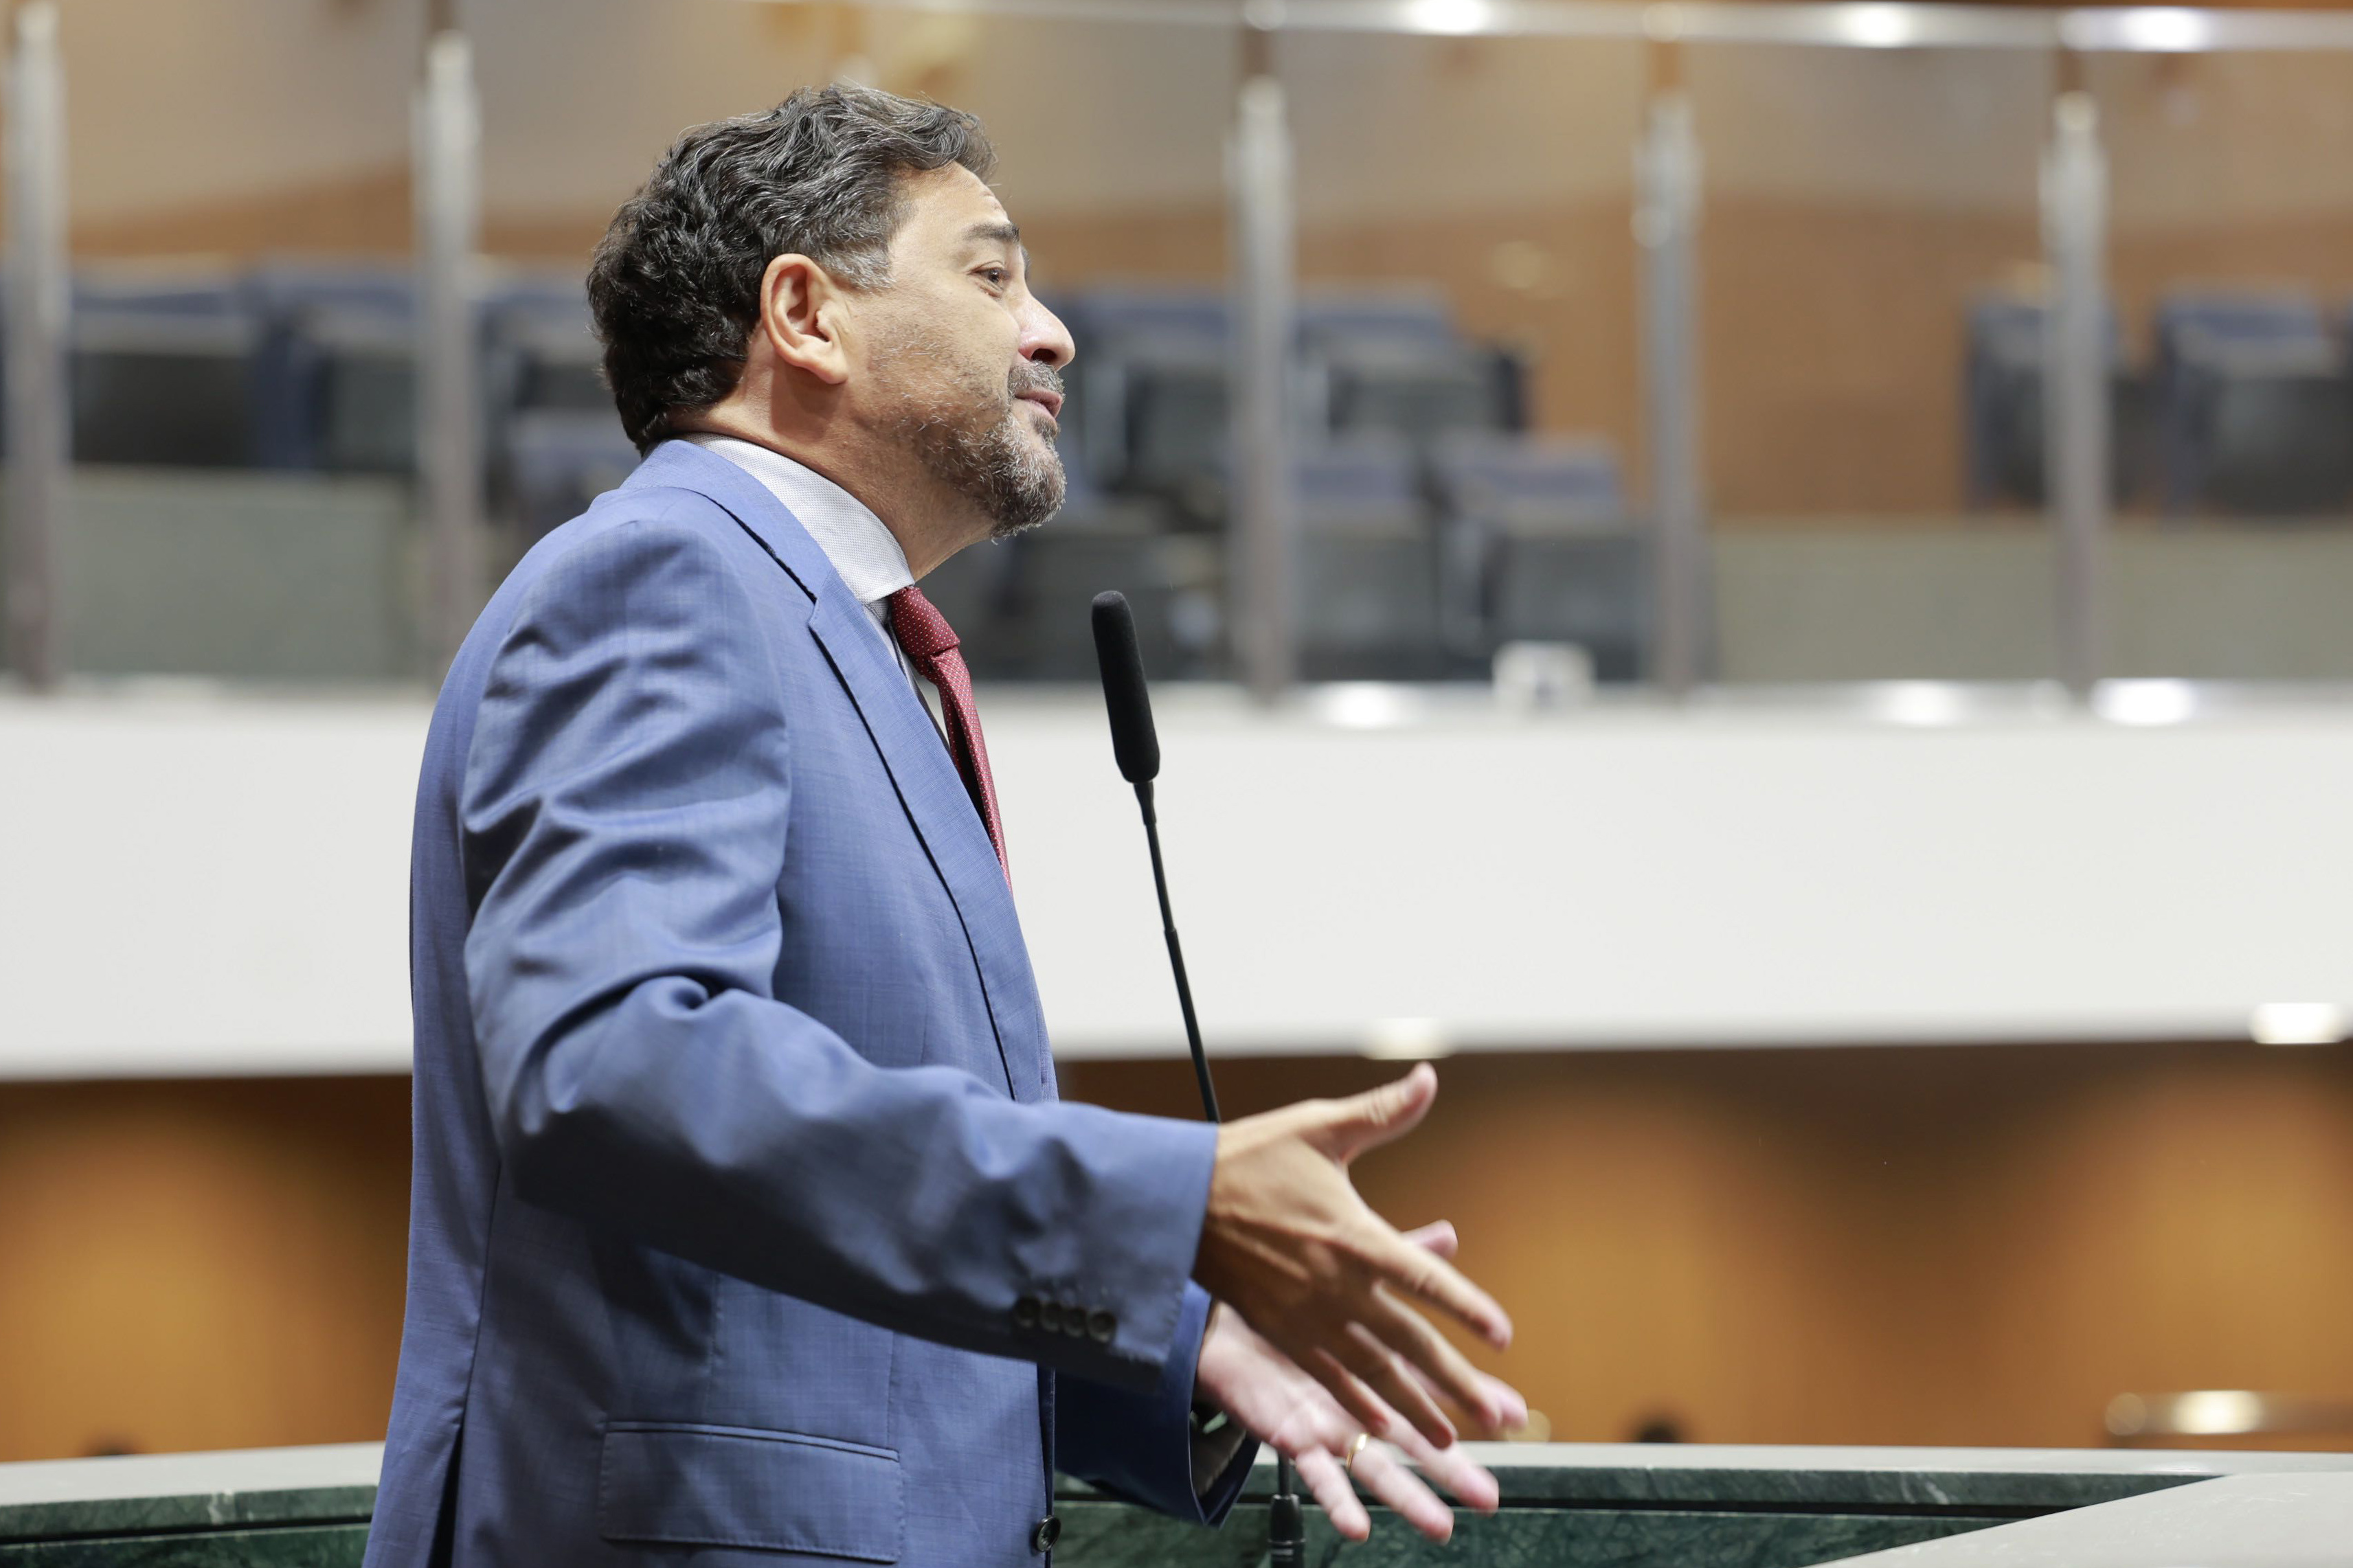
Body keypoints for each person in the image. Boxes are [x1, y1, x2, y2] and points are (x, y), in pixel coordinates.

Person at [363, 84, 1525, 1568]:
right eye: (991, 276)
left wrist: (1180, 1339)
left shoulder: (838, 634)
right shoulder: (665, 579)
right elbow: (618, 1067)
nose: (1054, 333)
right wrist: (1157, 1205)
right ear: (807, 315)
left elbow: (827, 1257)